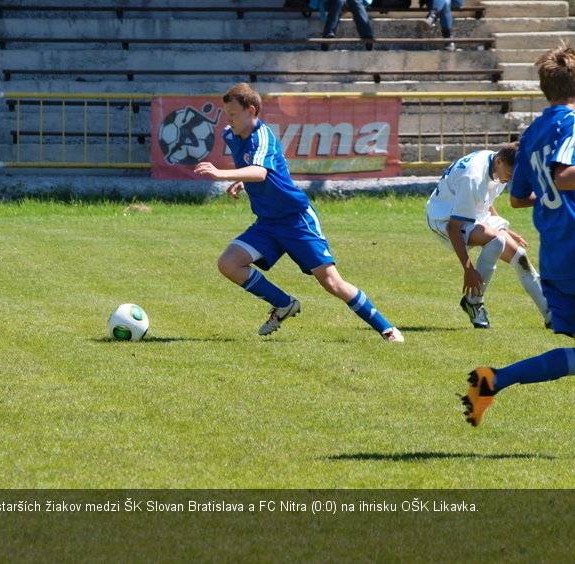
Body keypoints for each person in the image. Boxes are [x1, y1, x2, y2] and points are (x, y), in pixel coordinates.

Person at [194, 82, 403, 342]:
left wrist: (221, 174)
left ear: (251, 111)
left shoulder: (262, 135)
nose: (229, 120)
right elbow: (269, 168)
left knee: (332, 283)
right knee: (229, 263)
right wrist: (242, 180)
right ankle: (284, 304)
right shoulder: (231, 135)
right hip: (267, 223)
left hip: (296, 220)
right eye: (227, 114)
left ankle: (387, 329)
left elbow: (260, 171)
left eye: (233, 114)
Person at [462, 42, 575, 427]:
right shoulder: (572, 123)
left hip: (559, 254)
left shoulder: (534, 132)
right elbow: (564, 175)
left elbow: (519, 197)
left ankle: (493, 380)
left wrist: (553, 194)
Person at [425, 143, 550, 329]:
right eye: (510, 174)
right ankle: (473, 302)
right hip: (443, 218)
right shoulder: (472, 176)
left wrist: (501, 225)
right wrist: (468, 271)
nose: (511, 179)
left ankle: (552, 317)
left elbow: (484, 198)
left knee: (520, 257)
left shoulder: (495, 162)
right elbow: (453, 227)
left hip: (472, 215)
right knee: (496, 240)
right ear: (499, 161)